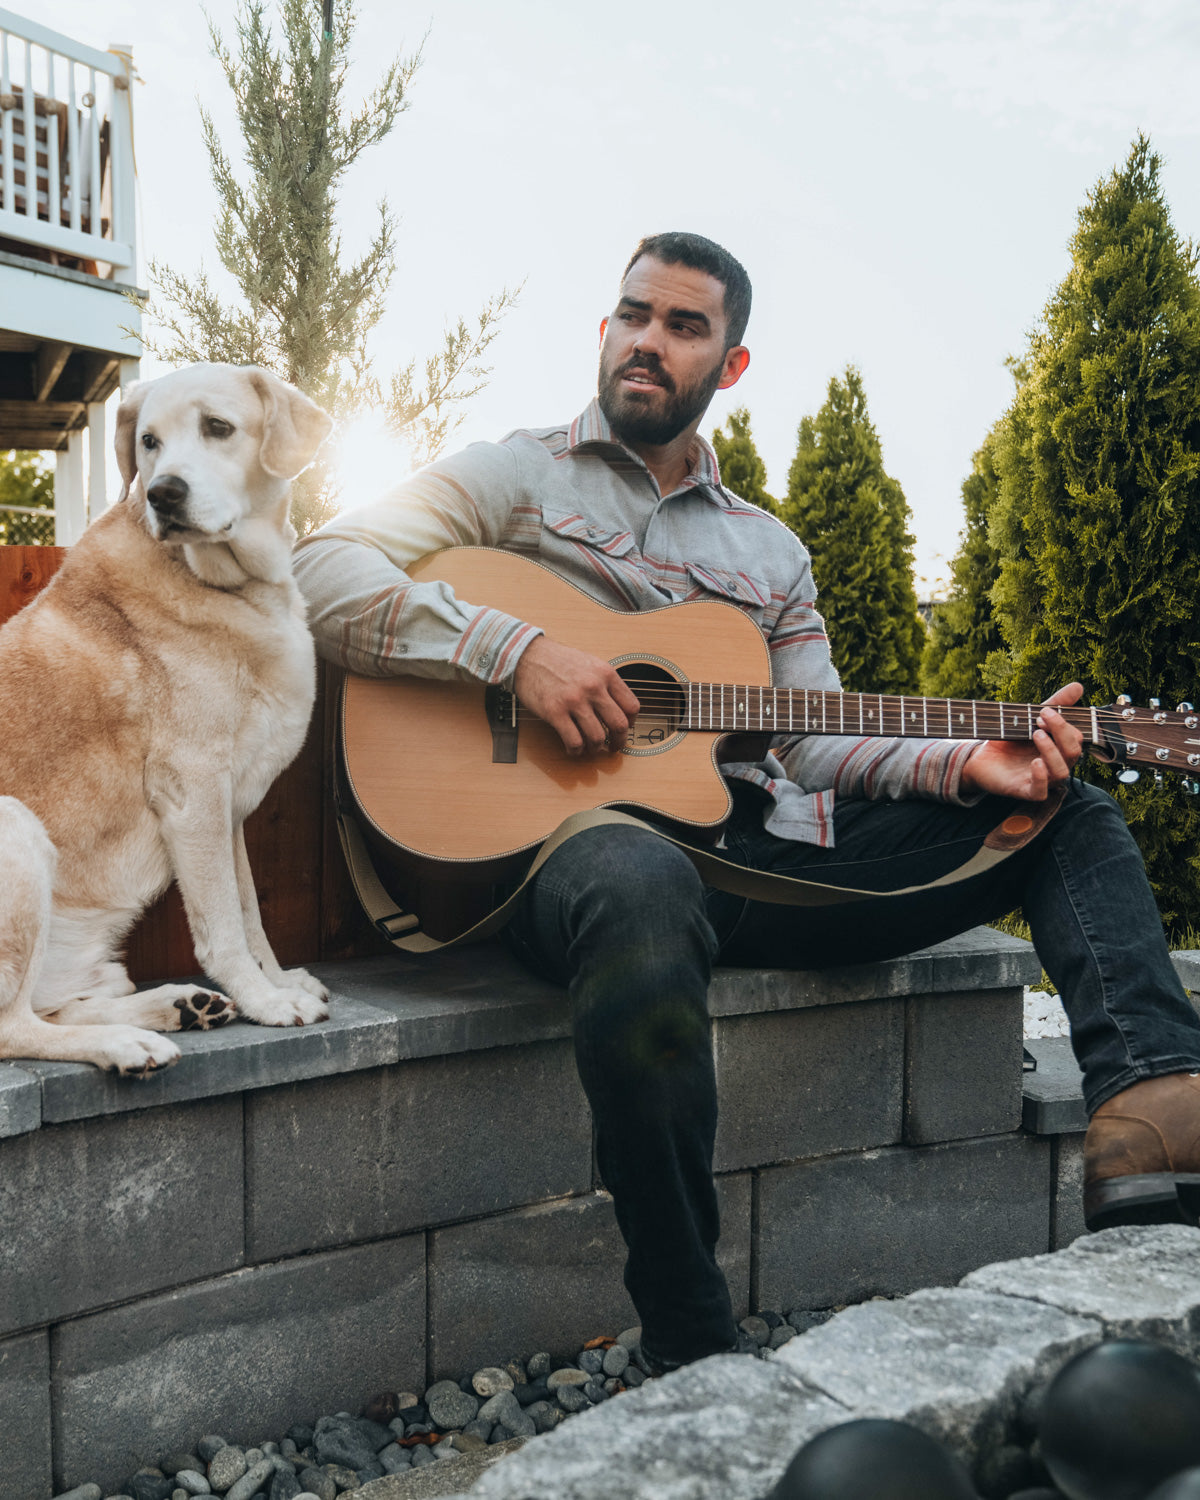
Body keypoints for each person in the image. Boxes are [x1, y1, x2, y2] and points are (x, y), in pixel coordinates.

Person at [294, 231, 1200, 1374]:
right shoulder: (510, 474)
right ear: (605, 328)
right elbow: (320, 568)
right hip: (565, 867)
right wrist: (514, 652)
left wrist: (963, 767)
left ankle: (1154, 1116)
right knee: (637, 875)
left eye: (683, 327)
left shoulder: (768, 551)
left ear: (730, 365)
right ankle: (690, 1334)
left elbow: (816, 741)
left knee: (1065, 811)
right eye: (634, 314)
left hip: (753, 861)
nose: (647, 342)